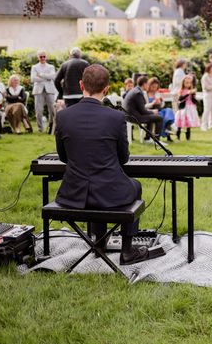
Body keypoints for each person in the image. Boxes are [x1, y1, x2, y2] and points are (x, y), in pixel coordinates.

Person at [55, 64, 149, 265]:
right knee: (135, 185)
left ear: (81, 85)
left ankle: (100, 242)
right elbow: (123, 158)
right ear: (106, 89)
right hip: (108, 192)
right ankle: (127, 251)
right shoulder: (116, 117)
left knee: (99, 189)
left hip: (74, 193)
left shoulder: (63, 116)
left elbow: (63, 158)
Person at [122, 76, 164, 143]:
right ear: (144, 84)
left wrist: (151, 112)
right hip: (134, 117)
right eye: (147, 84)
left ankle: (148, 138)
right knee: (159, 118)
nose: (148, 86)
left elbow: (141, 109)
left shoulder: (135, 90)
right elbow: (143, 111)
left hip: (129, 115)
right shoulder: (138, 93)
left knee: (151, 117)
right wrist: (153, 112)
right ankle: (157, 141)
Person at [30, 50, 57, 133]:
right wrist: (47, 77)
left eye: (44, 56)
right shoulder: (34, 67)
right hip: (38, 90)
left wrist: (41, 75)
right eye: (41, 56)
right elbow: (33, 79)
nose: (42, 58)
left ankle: (51, 127)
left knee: (52, 110)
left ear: (46, 57)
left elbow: (53, 77)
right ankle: (40, 128)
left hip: (50, 90)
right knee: (38, 111)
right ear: (38, 57)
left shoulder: (51, 67)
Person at [147, 77, 175, 142]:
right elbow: (145, 106)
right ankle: (166, 133)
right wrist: (153, 103)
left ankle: (167, 132)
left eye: (156, 87)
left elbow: (162, 105)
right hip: (152, 110)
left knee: (169, 111)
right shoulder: (146, 94)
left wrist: (161, 102)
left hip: (159, 109)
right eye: (153, 87)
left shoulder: (157, 94)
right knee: (161, 115)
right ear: (149, 86)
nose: (154, 89)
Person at [174, 74, 200, 141]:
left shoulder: (192, 90)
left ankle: (188, 138)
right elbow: (180, 98)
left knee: (188, 124)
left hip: (190, 108)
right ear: (183, 83)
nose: (187, 84)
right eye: (186, 83)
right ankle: (178, 137)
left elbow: (194, 101)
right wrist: (188, 93)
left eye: (189, 83)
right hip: (183, 109)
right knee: (179, 124)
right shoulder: (181, 90)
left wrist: (193, 95)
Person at [200, 63, 212, 131]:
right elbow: (205, 87)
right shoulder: (205, 77)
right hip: (208, 95)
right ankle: (204, 125)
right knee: (207, 110)